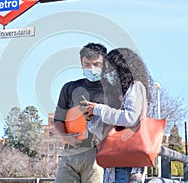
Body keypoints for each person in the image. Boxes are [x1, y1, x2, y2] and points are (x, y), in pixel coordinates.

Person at [80, 48, 150, 183]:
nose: (109, 74)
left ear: (122, 68)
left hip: (126, 161)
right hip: (114, 160)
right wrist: (92, 117)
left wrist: (99, 109)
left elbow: (130, 118)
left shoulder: (135, 86)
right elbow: (106, 133)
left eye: (111, 69)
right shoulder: (116, 93)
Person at [53, 42, 108, 183]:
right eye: (87, 64)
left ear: (105, 65)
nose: (92, 68)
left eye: (96, 64)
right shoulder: (69, 87)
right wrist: (65, 135)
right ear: (81, 64)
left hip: (96, 153)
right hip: (69, 152)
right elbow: (58, 119)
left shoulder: (112, 91)